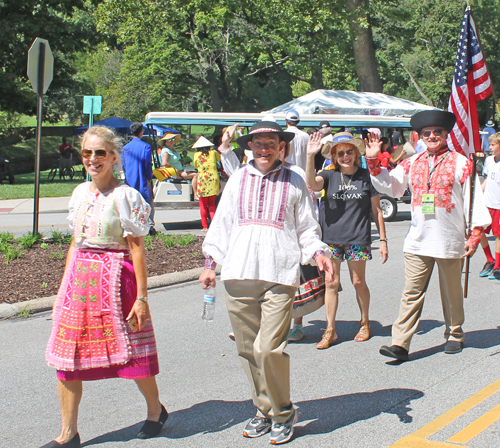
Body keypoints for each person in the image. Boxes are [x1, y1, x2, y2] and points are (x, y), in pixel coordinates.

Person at [199, 121, 333, 445]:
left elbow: (307, 228)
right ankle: (263, 410)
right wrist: (209, 264)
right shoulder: (238, 179)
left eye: (271, 143)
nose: (264, 149)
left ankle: (284, 413)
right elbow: (223, 224)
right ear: (250, 147)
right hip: (238, 273)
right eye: (258, 144)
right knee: (247, 350)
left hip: (280, 273)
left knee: (268, 349)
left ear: (281, 147)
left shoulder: (296, 179)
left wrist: (318, 253)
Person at [42, 126, 167, 448]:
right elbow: (75, 243)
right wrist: (61, 292)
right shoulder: (80, 193)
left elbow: (137, 248)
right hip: (79, 282)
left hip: (117, 280)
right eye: (87, 153)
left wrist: (142, 297)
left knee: (133, 355)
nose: (93, 159)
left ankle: (155, 410)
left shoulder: (126, 196)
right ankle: (68, 433)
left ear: (113, 157)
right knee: (67, 358)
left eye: (100, 153)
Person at [364, 110, 491, 362]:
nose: (432, 136)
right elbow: (392, 185)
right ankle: (400, 343)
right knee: (411, 292)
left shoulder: (461, 163)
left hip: (449, 238)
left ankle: (454, 333)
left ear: (445, 135)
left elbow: (473, 201)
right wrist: (373, 162)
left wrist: (475, 235)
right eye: (426, 133)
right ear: (420, 136)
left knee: (451, 291)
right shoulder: (412, 162)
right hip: (418, 240)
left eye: (437, 132)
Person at [305, 131, 388, 349]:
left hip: (357, 238)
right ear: (334, 156)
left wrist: (384, 240)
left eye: (349, 151)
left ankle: (365, 322)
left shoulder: (365, 176)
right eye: (340, 152)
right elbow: (312, 185)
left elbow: (377, 210)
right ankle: (330, 330)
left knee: (358, 282)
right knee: (331, 283)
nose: (345, 156)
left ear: (356, 153)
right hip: (331, 240)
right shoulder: (329, 175)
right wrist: (309, 157)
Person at [121, 123, 155, 232]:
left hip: (130, 179)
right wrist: (149, 177)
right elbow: (148, 164)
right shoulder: (146, 146)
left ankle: (132, 225)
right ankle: (148, 226)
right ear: (141, 132)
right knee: (147, 203)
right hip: (143, 179)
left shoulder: (125, 148)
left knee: (131, 202)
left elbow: (123, 165)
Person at [478, 132, 500, 279]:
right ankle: (490, 260)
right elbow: (487, 180)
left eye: (493, 144)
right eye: (490, 144)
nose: (490, 147)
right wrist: (478, 192)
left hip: (498, 206)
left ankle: (497, 266)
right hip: (487, 204)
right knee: (478, 231)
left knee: (498, 236)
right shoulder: (489, 160)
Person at [192, 136, 221, 232]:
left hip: (202, 180)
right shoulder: (213, 153)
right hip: (213, 179)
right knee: (212, 204)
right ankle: (213, 225)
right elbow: (219, 160)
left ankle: (205, 226)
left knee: (203, 205)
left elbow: (196, 165)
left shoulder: (196, 155)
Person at [159, 132, 198, 200]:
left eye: (173, 139)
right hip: (175, 172)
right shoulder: (166, 151)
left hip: (181, 169)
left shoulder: (173, 149)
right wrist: (174, 168)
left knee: (195, 170)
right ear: (165, 142)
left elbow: (178, 159)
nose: (172, 141)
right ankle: (195, 195)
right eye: (170, 140)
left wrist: (186, 164)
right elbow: (164, 163)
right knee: (196, 175)